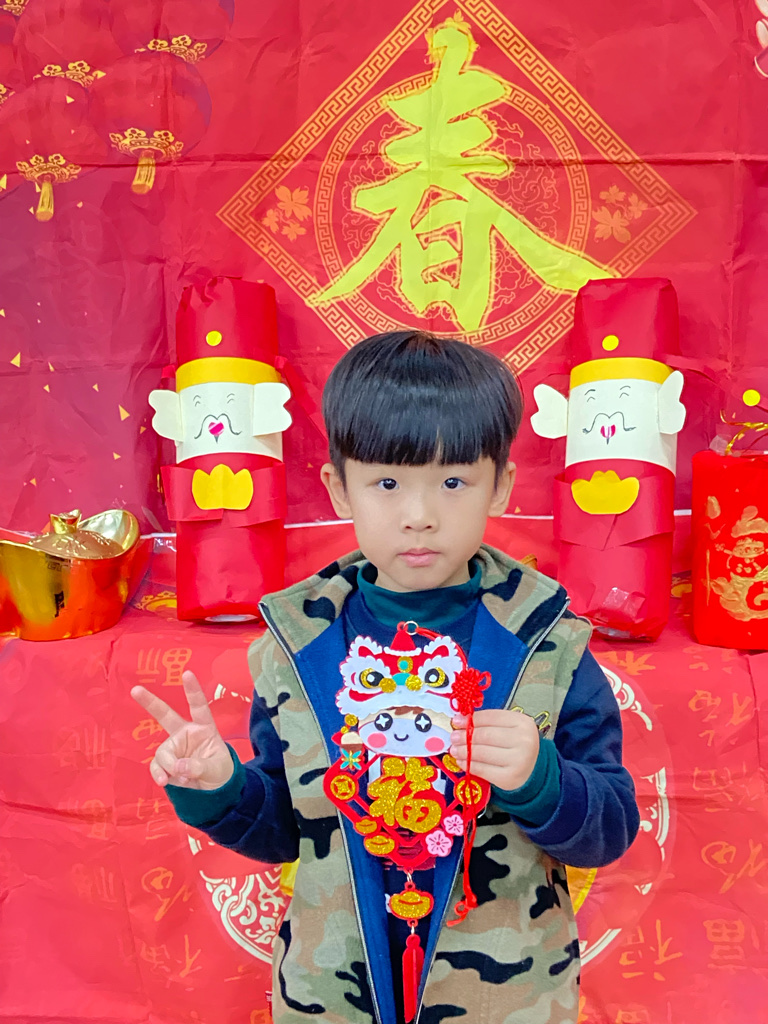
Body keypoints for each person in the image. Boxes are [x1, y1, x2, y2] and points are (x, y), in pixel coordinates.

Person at [132, 330, 640, 1024]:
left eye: (454, 482)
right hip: (330, 994)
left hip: (505, 997)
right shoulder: (297, 645)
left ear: (501, 484)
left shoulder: (548, 643)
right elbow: (284, 829)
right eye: (387, 483)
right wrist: (219, 790)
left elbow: (610, 829)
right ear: (339, 487)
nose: (419, 517)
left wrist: (542, 778)